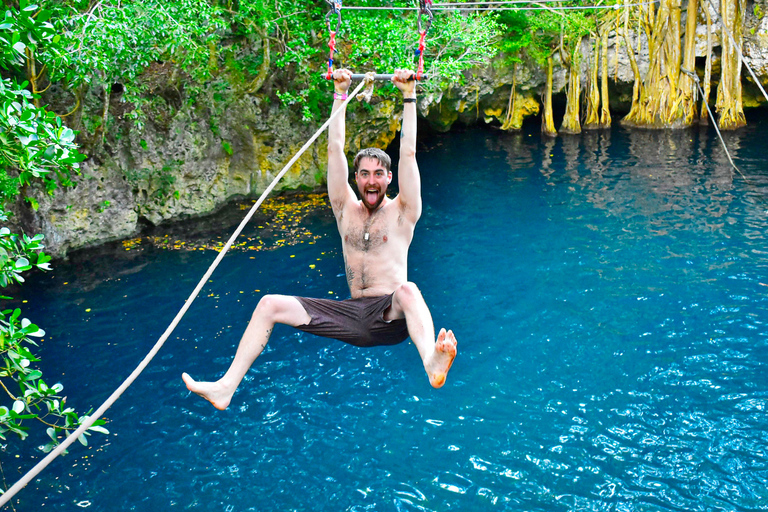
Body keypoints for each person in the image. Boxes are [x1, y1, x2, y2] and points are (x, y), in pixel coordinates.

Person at [182, 68, 457, 410]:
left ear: (389, 178)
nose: (371, 181)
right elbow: (334, 151)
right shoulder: (344, 209)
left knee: (408, 290)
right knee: (269, 304)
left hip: (389, 317)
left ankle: (431, 359)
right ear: (356, 178)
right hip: (350, 315)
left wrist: (408, 97)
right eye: (364, 174)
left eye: (378, 174)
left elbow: (409, 154)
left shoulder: (404, 212)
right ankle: (226, 387)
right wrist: (340, 93)